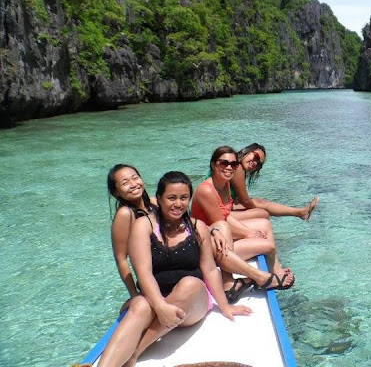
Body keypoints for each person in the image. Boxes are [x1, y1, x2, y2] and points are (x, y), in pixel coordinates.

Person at [98, 171, 252, 367]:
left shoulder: (198, 228)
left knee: (189, 284)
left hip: (193, 302)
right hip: (157, 299)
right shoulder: (143, 225)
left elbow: (210, 270)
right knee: (139, 306)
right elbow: (143, 272)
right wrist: (157, 305)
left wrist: (225, 306)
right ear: (159, 199)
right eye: (171, 198)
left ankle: (135, 354)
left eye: (184, 198)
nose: (178, 204)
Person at [192, 146, 295, 300]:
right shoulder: (206, 191)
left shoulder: (225, 184)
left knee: (265, 224)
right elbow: (221, 223)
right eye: (224, 163)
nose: (229, 167)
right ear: (213, 164)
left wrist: (248, 231)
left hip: (221, 238)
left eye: (233, 164)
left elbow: (226, 215)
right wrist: (247, 233)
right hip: (208, 246)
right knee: (269, 246)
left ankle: (276, 271)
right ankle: (252, 280)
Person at [107, 164, 156, 309]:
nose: (133, 184)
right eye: (125, 183)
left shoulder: (155, 203)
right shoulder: (125, 214)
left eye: (135, 178)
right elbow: (121, 258)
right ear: (116, 192)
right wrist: (134, 294)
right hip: (151, 279)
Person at [229, 143, 318, 221]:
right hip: (222, 212)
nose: (255, 163)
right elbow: (245, 201)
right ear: (246, 151)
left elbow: (239, 200)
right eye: (256, 157)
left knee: (260, 202)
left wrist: (258, 205)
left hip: (226, 206)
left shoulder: (235, 166)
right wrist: (258, 209)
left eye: (259, 164)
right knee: (263, 213)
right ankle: (299, 213)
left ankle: (299, 212)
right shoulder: (237, 168)